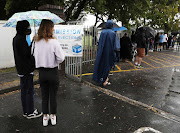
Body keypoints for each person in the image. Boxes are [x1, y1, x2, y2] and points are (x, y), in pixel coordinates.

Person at [34, 19, 65, 126]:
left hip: (42, 73)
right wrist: (54, 61)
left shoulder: (36, 42)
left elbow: (34, 56)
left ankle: (45, 117)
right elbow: (61, 58)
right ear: (50, 29)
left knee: (44, 95)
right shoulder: (54, 42)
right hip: (53, 72)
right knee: (53, 95)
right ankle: (53, 116)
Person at [12, 20, 42, 119]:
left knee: (24, 91)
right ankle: (30, 112)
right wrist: (33, 41)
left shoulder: (16, 38)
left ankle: (26, 111)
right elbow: (27, 54)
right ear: (23, 29)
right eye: (27, 27)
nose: (29, 29)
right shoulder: (21, 40)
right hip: (26, 70)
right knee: (29, 91)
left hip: (21, 69)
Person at [92, 20, 120, 86]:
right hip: (109, 53)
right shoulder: (113, 33)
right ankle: (104, 81)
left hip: (101, 52)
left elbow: (99, 42)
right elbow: (116, 46)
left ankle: (100, 79)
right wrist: (117, 56)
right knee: (107, 66)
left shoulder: (103, 32)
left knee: (101, 65)